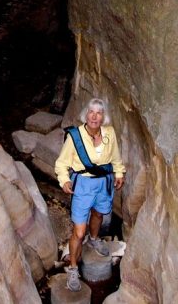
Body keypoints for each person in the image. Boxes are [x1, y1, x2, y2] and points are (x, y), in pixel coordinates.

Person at [54, 98, 126, 292]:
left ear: (104, 116)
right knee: (78, 231)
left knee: (99, 214)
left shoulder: (109, 133)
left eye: (99, 112)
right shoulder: (75, 136)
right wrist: (64, 180)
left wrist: (118, 172)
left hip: (104, 183)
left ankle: (94, 238)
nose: (94, 116)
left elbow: (116, 157)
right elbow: (61, 164)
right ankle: (73, 268)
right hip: (83, 185)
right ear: (86, 114)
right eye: (91, 112)